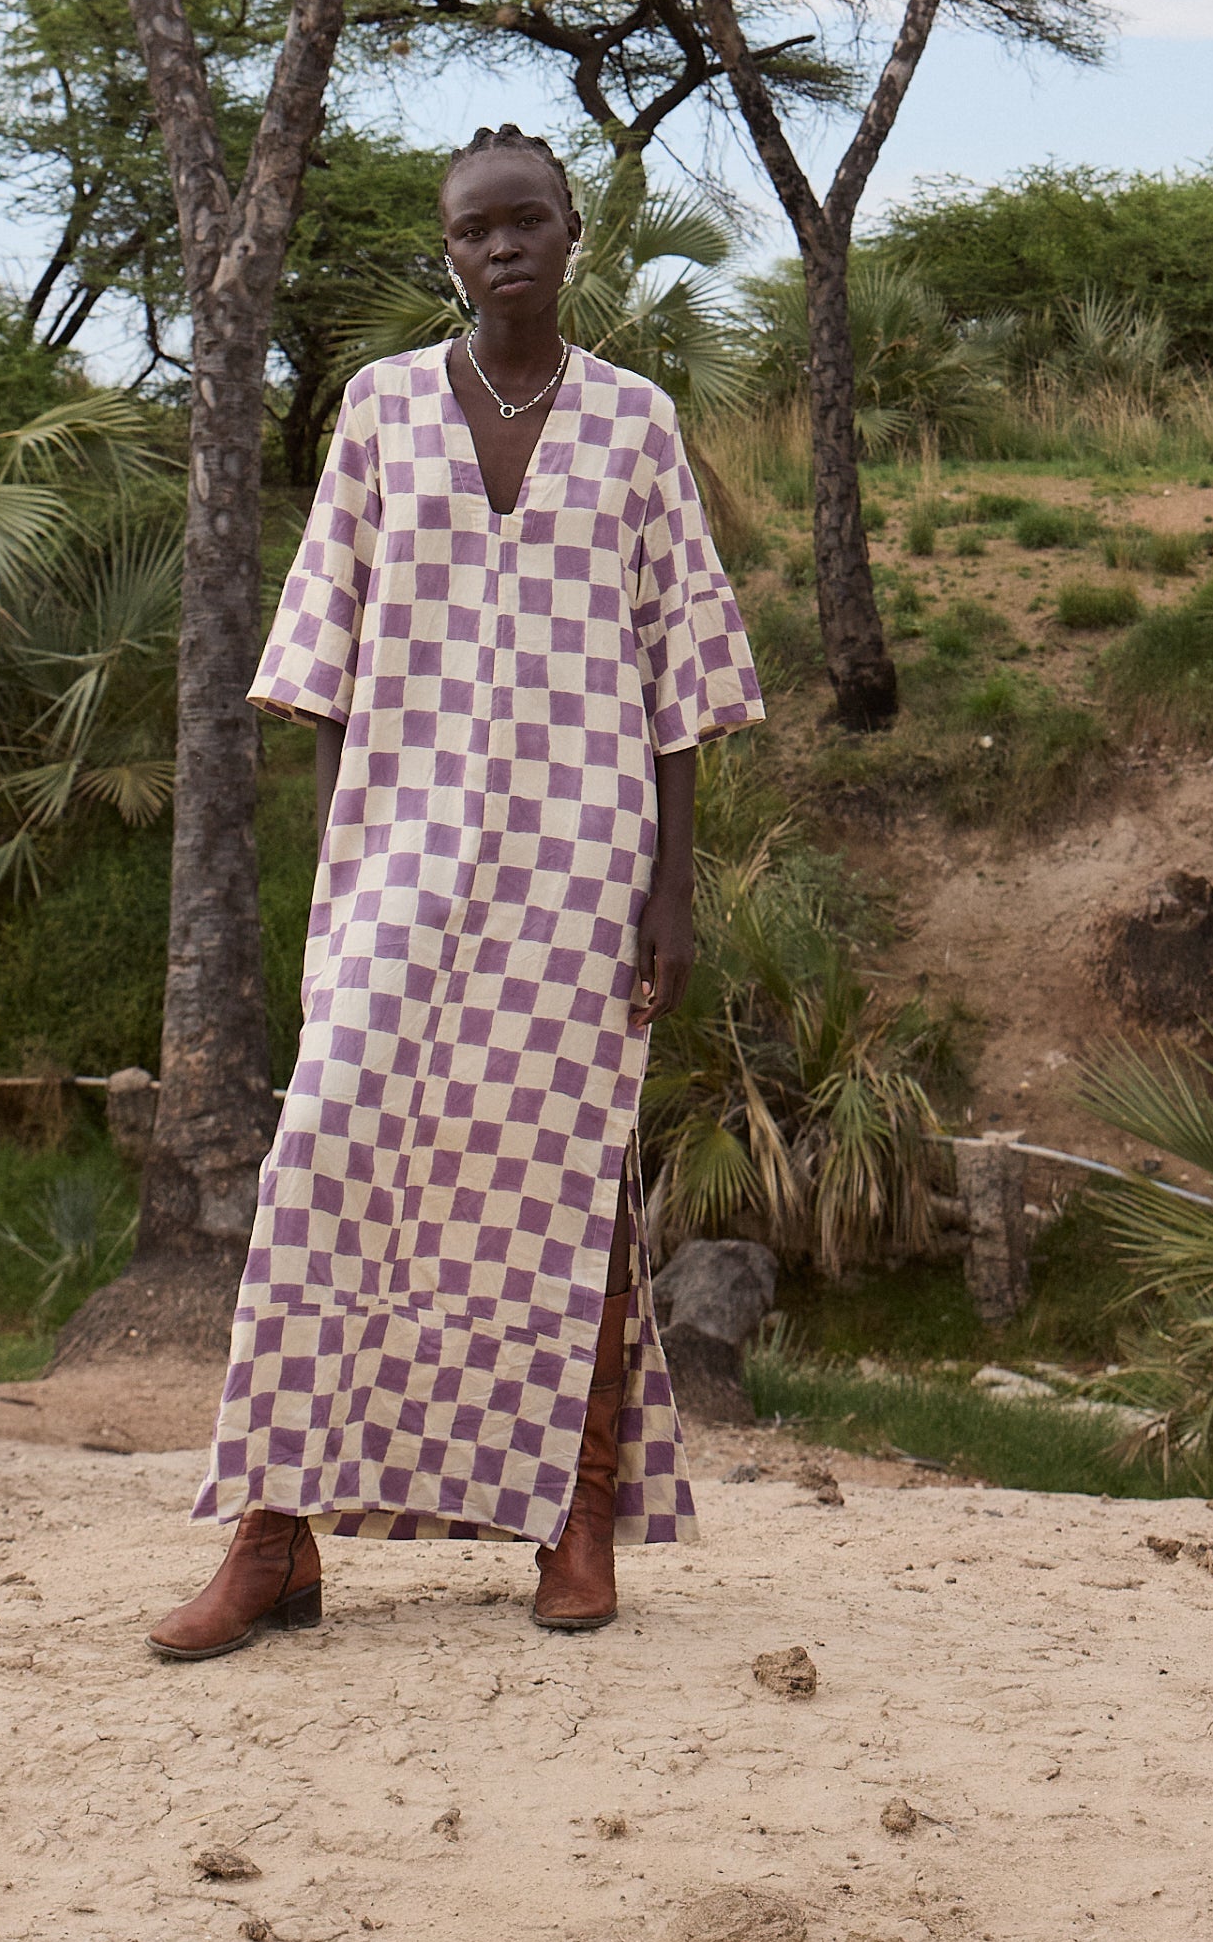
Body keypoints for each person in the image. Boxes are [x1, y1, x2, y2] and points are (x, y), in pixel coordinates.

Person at [148, 123, 763, 1657]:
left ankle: (572, 1517)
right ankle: (273, 1537)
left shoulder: (633, 423)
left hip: (582, 859)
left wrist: (670, 895)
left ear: (572, 238)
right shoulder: (376, 412)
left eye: (529, 223)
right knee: (325, 1164)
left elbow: (680, 679)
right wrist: (338, 885)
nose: (503, 248)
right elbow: (323, 666)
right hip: (397, 857)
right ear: (448, 254)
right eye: (475, 231)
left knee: (559, 1189)